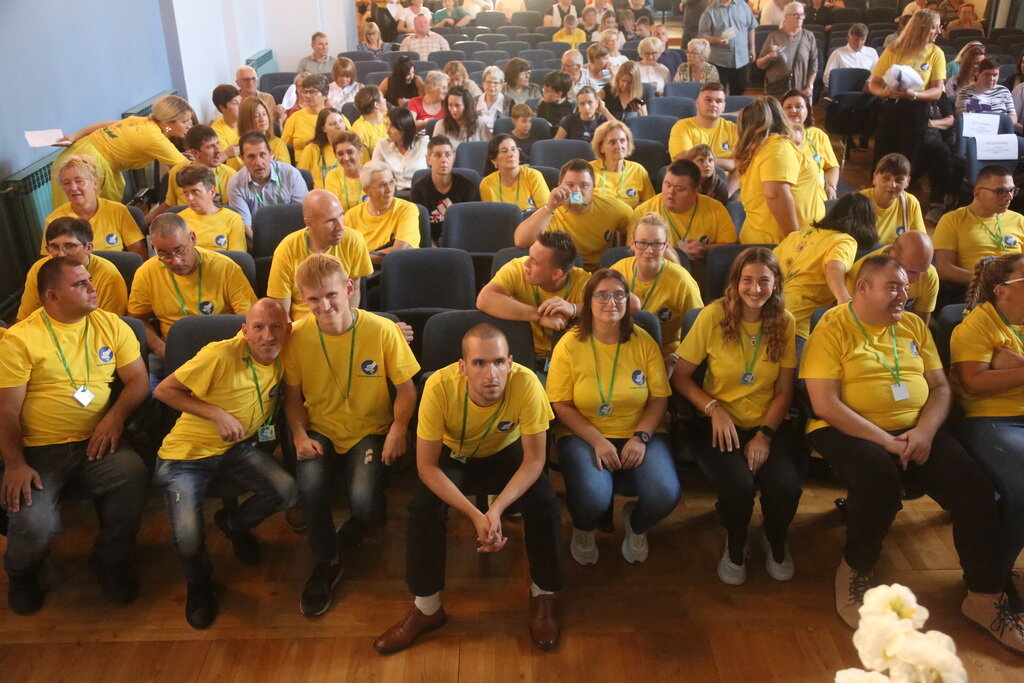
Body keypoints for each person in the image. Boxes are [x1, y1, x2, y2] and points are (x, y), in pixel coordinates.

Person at [802, 255, 1024, 651]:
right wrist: (886, 441)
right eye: (893, 287)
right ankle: (856, 569)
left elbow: (940, 388)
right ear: (862, 288)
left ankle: (984, 595)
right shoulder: (833, 327)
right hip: (847, 428)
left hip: (917, 428)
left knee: (976, 491)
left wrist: (924, 431)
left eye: (906, 287)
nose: (903, 295)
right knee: (881, 482)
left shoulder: (913, 325)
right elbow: (825, 404)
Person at [373, 324, 566, 653]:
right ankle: (427, 608)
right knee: (422, 508)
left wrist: (497, 509)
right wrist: (476, 515)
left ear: (510, 362)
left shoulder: (528, 383)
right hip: (454, 454)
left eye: (499, 362)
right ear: (463, 367)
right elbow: (427, 466)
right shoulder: (438, 387)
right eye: (479, 363)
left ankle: (544, 594)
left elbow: (535, 460)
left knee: (545, 501)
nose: (491, 374)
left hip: (504, 451)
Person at [0, 257, 149, 615]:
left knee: (132, 474)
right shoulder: (21, 339)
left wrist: (114, 418)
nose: (93, 288)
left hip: (96, 441)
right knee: (33, 522)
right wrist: (15, 464)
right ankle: (22, 573)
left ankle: (111, 560)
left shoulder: (110, 325)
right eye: (80, 284)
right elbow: (6, 410)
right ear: (52, 296)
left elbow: (138, 381)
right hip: (39, 450)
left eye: (89, 279)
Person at [283, 254, 419, 616]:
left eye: (331, 295)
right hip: (320, 428)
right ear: (303, 298)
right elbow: (292, 398)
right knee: (310, 489)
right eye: (313, 299)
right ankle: (326, 562)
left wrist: (399, 428)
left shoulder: (382, 330)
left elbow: (407, 389)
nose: (324, 307)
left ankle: (367, 513)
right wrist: (298, 434)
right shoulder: (297, 337)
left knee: (365, 503)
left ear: (348, 288)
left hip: (370, 430)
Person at [153, 299, 298, 629]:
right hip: (186, 456)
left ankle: (234, 523)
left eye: (276, 327)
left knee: (286, 491)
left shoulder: (288, 352)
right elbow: (164, 391)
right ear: (245, 331)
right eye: (258, 327)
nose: (267, 336)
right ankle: (200, 585)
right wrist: (216, 413)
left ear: (288, 330)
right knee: (188, 536)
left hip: (235, 448)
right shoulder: (219, 354)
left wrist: (391, 327)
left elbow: (328, 320)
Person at [672, 247, 800, 585]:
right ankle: (736, 539)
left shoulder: (785, 321)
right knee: (738, 486)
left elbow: (785, 391)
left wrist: (764, 435)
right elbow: (680, 377)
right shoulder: (713, 316)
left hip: (768, 421)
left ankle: (774, 536)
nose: (755, 289)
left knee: (785, 487)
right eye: (747, 280)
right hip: (719, 421)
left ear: (776, 283)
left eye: (764, 281)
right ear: (735, 282)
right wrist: (713, 408)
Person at [548, 269, 681, 565]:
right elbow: (561, 404)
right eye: (602, 295)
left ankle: (637, 525)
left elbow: (659, 399)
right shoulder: (569, 345)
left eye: (619, 295)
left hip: (639, 429)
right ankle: (584, 529)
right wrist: (597, 440)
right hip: (584, 433)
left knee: (665, 494)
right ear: (588, 301)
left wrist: (641, 437)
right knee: (592, 497)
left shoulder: (643, 341)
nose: (612, 302)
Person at [952, 254, 1024, 611]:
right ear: (1002, 290)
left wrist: (1012, 368)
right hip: (991, 420)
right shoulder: (978, 324)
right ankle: (991, 579)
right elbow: (974, 383)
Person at [127, 214, 256, 361]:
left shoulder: (225, 268)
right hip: (173, 352)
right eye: (164, 255)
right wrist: (160, 349)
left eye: (180, 251)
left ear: (192, 238)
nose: (175, 261)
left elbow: (250, 319)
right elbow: (138, 320)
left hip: (223, 352)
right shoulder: (147, 273)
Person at [51, 94, 190, 206]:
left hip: (79, 148)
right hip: (91, 162)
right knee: (91, 210)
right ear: (168, 122)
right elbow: (187, 169)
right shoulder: (155, 138)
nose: (189, 125)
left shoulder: (141, 121)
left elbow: (103, 125)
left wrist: (75, 135)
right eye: (184, 121)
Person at [774, 193, 877, 344]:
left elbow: (766, 264)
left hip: (765, 315)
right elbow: (834, 267)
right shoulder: (845, 241)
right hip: (797, 325)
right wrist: (844, 300)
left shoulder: (796, 236)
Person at [478, 232, 588, 369]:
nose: (526, 263)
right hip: (522, 358)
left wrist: (574, 309)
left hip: (569, 361)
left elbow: (608, 305)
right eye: (529, 255)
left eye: (534, 261)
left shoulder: (583, 281)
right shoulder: (517, 268)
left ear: (556, 274)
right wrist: (539, 315)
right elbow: (484, 299)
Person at [268, 190, 374, 319]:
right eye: (330, 221)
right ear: (309, 223)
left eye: (341, 215)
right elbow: (282, 313)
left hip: (340, 321)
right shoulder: (286, 250)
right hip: (302, 325)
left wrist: (347, 324)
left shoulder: (354, 240)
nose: (340, 226)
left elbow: (354, 290)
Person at [611, 213, 703, 359]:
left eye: (656, 244)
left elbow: (698, 328)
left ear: (666, 245)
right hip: (622, 349)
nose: (649, 251)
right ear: (632, 243)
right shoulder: (617, 272)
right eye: (642, 243)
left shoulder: (682, 281)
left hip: (665, 354)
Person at [515, 158, 634, 270]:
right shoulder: (551, 212)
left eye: (584, 185)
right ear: (559, 185)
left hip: (601, 271)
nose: (576, 191)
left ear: (593, 187)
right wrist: (550, 207)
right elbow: (521, 241)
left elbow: (632, 229)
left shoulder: (613, 208)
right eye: (570, 185)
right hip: (566, 272)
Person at [735, 97, 825, 245]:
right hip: (777, 244)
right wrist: (794, 240)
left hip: (770, 239)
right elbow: (775, 194)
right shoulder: (778, 148)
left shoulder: (762, 147)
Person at [866, 10, 946, 169]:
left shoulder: (936, 53)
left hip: (917, 110)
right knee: (884, 155)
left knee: (908, 157)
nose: (938, 32)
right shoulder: (893, 49)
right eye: (934, 27)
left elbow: (937, 91)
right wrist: (885, 92)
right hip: (892, 107)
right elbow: (873, 83)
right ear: (920, 28)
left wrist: (914, 94)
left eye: (939, 27)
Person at [18, 217, 128, 322]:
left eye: (69, 246)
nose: (61, 254)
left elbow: (110, 325)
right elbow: (25, 318)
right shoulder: (39, 269)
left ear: (88, 248)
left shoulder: (108, 275)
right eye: (54, 247)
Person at [633, 159, 736, 266]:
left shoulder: (716, 209)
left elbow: (729, 248)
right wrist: (678, 253)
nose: (670, 192)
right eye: (667, 185)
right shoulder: (643, 211)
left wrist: (704, 248)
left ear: (695, 191)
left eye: (679, 189)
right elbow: (634, 249)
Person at [935, 165, 1024, 287]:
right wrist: (985, 281)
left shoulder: (1019, 220)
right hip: (975, 289)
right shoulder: (952, 220)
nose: (1009, 197)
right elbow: (944, 269)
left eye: (1012, 190)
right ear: (977, 193)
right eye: (1000, 191)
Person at [44, 154, 146, 259]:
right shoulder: (54, 219)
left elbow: (139, 258)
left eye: (79, 181)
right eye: (66, 183)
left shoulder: (118, 211)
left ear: (95, 183)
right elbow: (49, 263)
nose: (73, 188)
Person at [847, 231, 939, 325]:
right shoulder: (860, 276)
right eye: (911, 272)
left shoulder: (929, 275)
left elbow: (920, 323)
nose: (917, 279)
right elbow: (852, 321)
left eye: (922, 271)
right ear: (892, 258)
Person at [153, 125, 237, 223]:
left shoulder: (230, 175)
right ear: (195, 153)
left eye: (218, 143)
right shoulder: (177, 171)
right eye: (210, 146)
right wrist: (147, 220)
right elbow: (169, 204)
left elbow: (234, 213)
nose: (218, 150)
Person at [227, 132, 308, 230]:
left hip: (292, 234)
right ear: (242, 158)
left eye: (262, 155)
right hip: (255, 236)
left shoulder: (291, 175)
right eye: (251, 157)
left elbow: (303, 216)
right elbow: (245, 228)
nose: (258, 162)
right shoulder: (235, 184)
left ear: (270, 154)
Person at [345, 161, 421, 264]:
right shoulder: (351, 216)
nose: (389, 189)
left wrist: (360, 258)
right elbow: (346, 254)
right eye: (383, 185)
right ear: (366, 190)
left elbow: (399, 253)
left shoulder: (407, 209)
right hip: (363, 272)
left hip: (397, 269)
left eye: (392, 182)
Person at [411, 135, 480, 241]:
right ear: (428, 159)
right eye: (437, 155)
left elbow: (472, 225)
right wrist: (432, 247)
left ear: (454, 157)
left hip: (461, 243)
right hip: (429, 245)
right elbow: (418, 228)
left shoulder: (467, 187)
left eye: (448, 155)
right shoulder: (419, 189)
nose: (444, 160)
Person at [780, 89, 839, 201]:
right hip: (787, 197)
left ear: (807, 111)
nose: (793, 110)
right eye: (788, 107)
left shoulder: (818, 135)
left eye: (799, 107)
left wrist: (831, 186)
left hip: (817, 196)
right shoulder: (775, 138)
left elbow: (832, 167)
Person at [175, 164, 248, 251]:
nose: (190, 198)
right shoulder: (179, 220)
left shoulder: (233, 219)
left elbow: (237, 257)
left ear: (212, 192)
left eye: (195, 192)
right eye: (186, 193)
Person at [668, 83, 737, 173]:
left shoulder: (733, 129)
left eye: (718, 101)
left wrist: (699, 159)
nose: (713, 104)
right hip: (694, 177)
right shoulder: (682, 127)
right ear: (697, 103)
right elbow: (684, 159)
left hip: (726, 180)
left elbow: (741, 164)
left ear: (724, 106)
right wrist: (727, 163)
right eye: (708, 100)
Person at [857, 153, 926, 244]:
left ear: (907, 181)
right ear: (874, 178)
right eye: (885, 178)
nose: (892, 185)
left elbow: (920, 242)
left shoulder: (910, 203)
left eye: (899, 180)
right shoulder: (858, 201)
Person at [755, 2, 818, 100]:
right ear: (786, 17)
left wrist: (810, 86)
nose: (800, 18)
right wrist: (768, 57)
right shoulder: (774, 36)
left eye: (802, 15)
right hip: (778, 91)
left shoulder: (809, 36)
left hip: (801, 91)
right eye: (796, 15)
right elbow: (759, 64)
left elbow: (813, 64)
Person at [589, 121, 654, 209]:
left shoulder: (638, 170)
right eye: (612, 142)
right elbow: (575, 199)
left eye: (622, 141)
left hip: (632, 217)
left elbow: (651, 205)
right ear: (601, 148)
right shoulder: (589, 170)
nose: (619, 146)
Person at [698, 0, 759, 95]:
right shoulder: (709, 11)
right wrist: (718, 40)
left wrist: (752, 48)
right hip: (719, 62)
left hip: (742, 59)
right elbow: (702, 36)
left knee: (739, 92)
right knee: (718, 93)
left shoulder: (743, 5)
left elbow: (751, 27)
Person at [480, 134, 550, 211]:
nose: (511, 154)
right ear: (494, 160)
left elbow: (547, 211)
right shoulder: (487, 184)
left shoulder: (534, 176)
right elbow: (491, 215)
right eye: (504, 151)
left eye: (513, 149)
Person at [372, 108, 428, 194]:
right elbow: (374, 171)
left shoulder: (423, 143)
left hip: (418, 193)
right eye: (387, 125)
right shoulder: (382, 145)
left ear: (404, 128)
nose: (387, 131)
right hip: (392, 193)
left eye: (392, 127)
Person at [955, 58, 1017, 126]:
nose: (991, 79)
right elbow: (963, 117)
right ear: (978, 74)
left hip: (1001, 129)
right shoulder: (966, 92)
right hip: (976, 128)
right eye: (987, 75)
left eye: (995, 75)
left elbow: (1013, 117)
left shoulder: (1004, 91)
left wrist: (1002, 124)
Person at [296, 107, 346, 191]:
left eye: (341, 121)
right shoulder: (312, 149)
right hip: (321, 194)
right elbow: (301, 178)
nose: (339, 126)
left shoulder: (353, 147)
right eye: (332, 124)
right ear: (323, 128)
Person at [282, 74, 330, 156]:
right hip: (300, 162)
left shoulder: (335, 117)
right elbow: (283, 148)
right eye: (305, 92)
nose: (308, 95)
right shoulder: (294, 118)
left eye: (313, 92)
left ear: (325, 95)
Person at [237, 96, 290, 165]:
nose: (262, 119)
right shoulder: (237, 146)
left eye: (264, 114)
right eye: (256, 116)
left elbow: (285, 170)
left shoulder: (278, 144)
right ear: (246, 120)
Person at [823, 24, 879, 88]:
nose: (859, 43)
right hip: (844, 89)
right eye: (856, 40)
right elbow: (826, 77)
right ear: (848, 38)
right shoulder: (838, 53)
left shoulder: (872, 52)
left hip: (866, 89)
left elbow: (877, 74)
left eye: (862, 40)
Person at [324, 132, 367, 212]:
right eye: (340, 154)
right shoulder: (333, 176)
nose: (346, 158)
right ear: (335, 156)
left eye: (350, 152)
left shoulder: (373, 175)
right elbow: (332, 209)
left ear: (360, 152)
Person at [350, 86, 391, 163]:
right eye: (382, 97)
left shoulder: (390, 118)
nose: (385, 100)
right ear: (376, 104)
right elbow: (360, 161)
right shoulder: (359, 129)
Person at [210, 85, 242, 168]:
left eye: (241, 101)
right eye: (235, 103)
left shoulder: (249, 120)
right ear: (222, 108)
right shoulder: (216, 130)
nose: (241, 106)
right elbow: (227, 157)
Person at [477, 66, 507, 134]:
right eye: (489, 82)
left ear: (502, 85)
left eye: (496, 82)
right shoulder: (474, 101)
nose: (492, 85)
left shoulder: (510, 102)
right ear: (483, 83)